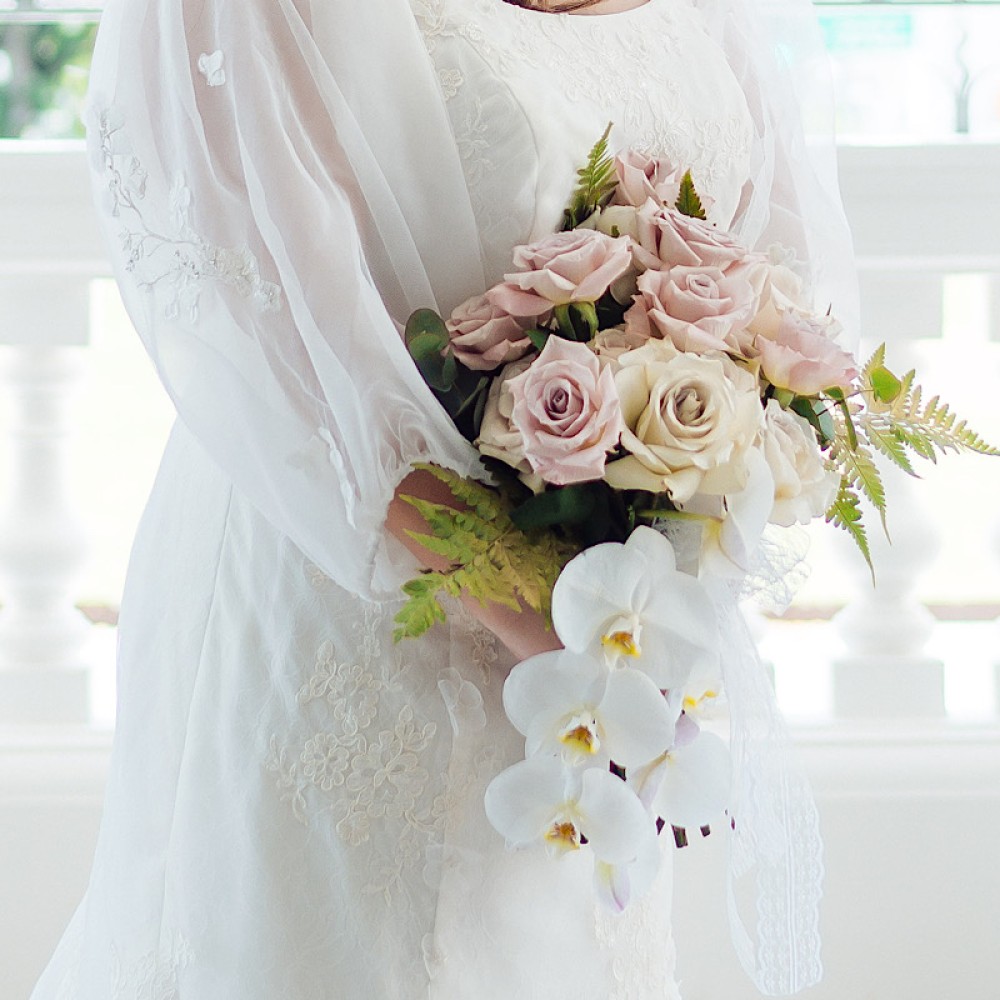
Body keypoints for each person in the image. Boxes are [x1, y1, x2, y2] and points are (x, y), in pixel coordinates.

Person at [32, 0, 854, 996]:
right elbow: (262, 304)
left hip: (602, 632)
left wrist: (674, 558)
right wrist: (548, 629)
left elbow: (774, 280)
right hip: (363, 587)